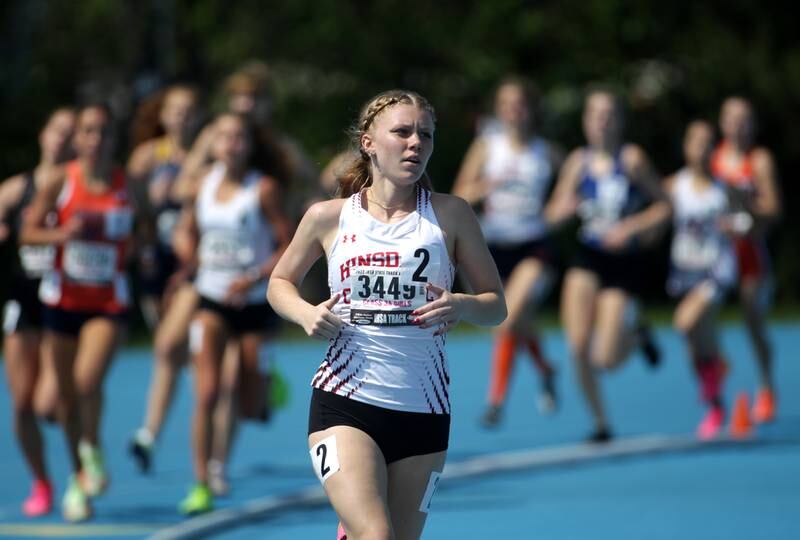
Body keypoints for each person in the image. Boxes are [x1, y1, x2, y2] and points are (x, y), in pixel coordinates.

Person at [267, 89, 506, 540]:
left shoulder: (450, 215)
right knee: (377, 535)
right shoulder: (328, 217)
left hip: (423, 412)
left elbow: (496, 305)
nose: (416, 143)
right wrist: (303, 313)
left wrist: (462, 304)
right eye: (402, 132)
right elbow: (278, 284)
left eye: (426, 135)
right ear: (368, 143)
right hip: (344, 404)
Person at [20, 102, 136, 521]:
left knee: (86, 381)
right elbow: (27, 232)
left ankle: (92, 448)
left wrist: (137, 244)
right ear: (79, 138)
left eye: (103, 131)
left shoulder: (126, 181)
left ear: (112, 138)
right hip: (62, 301)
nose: (95, 139)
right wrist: (59, 234)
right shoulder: (60, 180)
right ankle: (78, 476)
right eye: (88, 131)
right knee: (63, 401)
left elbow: (146, 232)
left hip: (107, 303)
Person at [176, 112, 292, 515]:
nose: (231, 143)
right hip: (211, 300)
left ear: (249, 144)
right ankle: (201, 482)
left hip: (254, 304)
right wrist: (189, 262)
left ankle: (263, 382)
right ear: (213, 143)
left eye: (238, 136)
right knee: (207, 394)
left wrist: (255, 275)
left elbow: (287, 244)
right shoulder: (200, 186)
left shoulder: (263, 189)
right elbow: (188, 230)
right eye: (222, 135)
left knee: (248, 406)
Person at [545, 87, 670, 443]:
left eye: (609, 115)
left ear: (619, 121)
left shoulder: (631, 160)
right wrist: (563, 211)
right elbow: (551, 215)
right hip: (588, 258)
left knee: (607, 358)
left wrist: (632, 227)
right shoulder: (577, 162)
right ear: (585, 122)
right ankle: (601, 423)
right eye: (595, 115)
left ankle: (637, 335)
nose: (602, 122)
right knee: (577, 348)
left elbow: (664, 205)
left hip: (622, 263)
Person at [452, 76, 562, 427]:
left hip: (533, 247)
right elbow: (459, 196)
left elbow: (571, 194)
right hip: (492, 246)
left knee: (506, 319)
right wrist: (486, 186)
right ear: (499, 110)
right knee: (520, 321)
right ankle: (545, 369)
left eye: (520, 104)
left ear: (531, 110)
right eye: (507, 104)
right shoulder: (487, 146)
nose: (514, 111)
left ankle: (495, 402)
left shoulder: (548, 153)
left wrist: (562, 211)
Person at [125, 85, 205, 474]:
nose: (182, 117)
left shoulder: (205, 156)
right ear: (163, 115)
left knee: (167, 345)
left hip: (193, 267)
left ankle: (153, 433)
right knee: (171, 354)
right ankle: (151, 434)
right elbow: (131, 207)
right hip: (156, 263)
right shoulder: (146, 157)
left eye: (189, 110)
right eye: (175, 110)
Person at [0, 107, 75, 517]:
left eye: (70, 132)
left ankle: (79, 469)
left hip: (63, 298)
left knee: (51, 403)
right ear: (43, 136)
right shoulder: (17, 188)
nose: (63, 139)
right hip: (23, 298)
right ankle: (42, 482)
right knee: (22, 405)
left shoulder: (79, 186)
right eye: (57, 131)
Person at [666, 120, 744, 439]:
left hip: (716, 270)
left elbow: (750, 217)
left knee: (684, 322)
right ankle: (715, 402)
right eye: (696, 141)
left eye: (708, 142)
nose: (702, 148)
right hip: (685, 272)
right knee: (697, 344)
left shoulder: (724, 189)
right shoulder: (674, 186)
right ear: (686, 146)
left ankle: (714, 384)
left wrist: (739, 225)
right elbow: (655, 212)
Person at [710, 96, 782, 423]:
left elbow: (774, 208)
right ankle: (717, 365)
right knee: (703, 316)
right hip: (716, 255)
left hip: (750, 253)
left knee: (754, 322)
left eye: (745, 118)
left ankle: (766, 386)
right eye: (732, 118)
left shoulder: (759, 160)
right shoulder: (712, 159)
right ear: (723, 122)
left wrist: (747, 209)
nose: (738, 125)